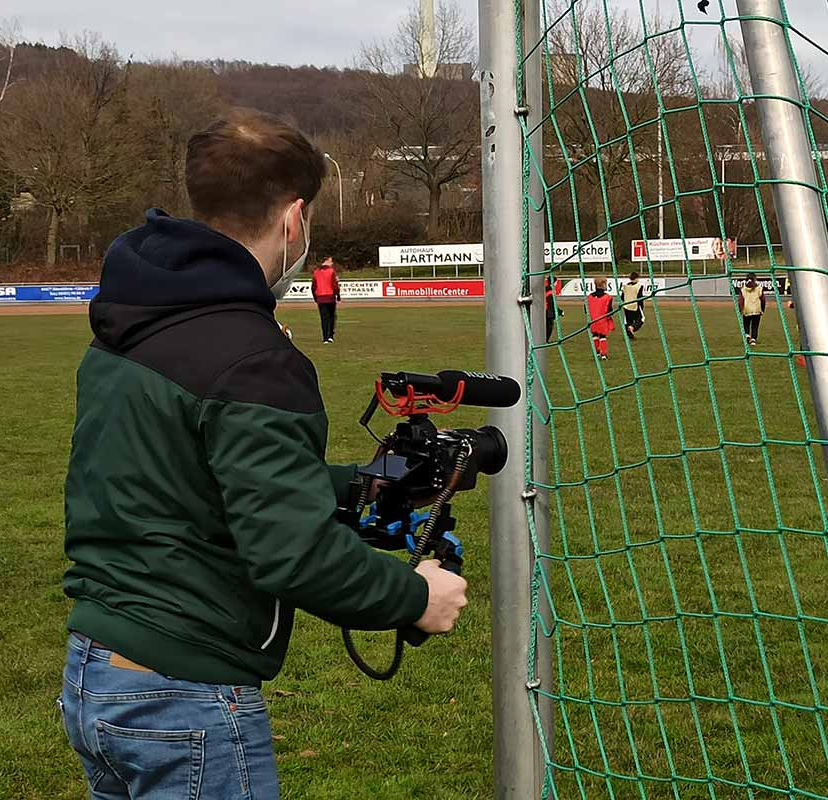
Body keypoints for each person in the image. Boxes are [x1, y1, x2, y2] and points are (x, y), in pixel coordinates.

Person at [59, 108, 467, 800]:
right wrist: (414, 597)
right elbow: (291, 553)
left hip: (97, 675)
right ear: (294, 218)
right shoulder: (251, 356)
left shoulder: (134, 318)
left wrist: (363, 489)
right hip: (182, 692)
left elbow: (188, 476)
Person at [311, 255, 340, 343]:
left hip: (320, 298)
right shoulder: (331, 271)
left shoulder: (316, 272)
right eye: (330, 261)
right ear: (326, 261)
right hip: (330, 297)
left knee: (324, 318)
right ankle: (330, 335)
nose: (332, 263)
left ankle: (325, 338)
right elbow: (334, 285)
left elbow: (313, 287)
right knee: (332, 317)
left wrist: (315, 297)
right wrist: (338, 295)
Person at [587, 276, 615, 359]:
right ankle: (603, 353)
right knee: (603, 336)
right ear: (603, 285)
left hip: (593, 320)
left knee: (594, 335)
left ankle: (597, 352)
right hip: (602, 320)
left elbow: (586, 309)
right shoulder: (607, 297)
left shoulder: (589, 296)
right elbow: (609, 310)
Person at [738, 274, 766, 346]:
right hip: (757, 310)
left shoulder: (743, 289)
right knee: (755, 326)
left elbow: (740, 300)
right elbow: (763, 300)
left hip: (747, 310)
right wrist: (762, 309)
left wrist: (740, 309)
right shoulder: (759, 288)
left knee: (746, 324)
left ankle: (747, 335)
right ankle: (753, 339)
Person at [620, 271, 645, 339]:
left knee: (628, 321)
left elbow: (622, 297)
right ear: (636, 278)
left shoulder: (625, 286)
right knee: (641, 319)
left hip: (626, 306)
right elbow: (640, 298)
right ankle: (633, 328)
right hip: (635, 306)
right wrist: (641, 307)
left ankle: (629, 335)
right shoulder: (639, 286)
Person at [544, 276, 563, 342]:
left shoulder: (546, 289)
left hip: (545, 311)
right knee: (549, 327)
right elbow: (552, 304)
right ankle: (545, 340)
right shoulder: (550, 292)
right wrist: (560, 312)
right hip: (548, 313)